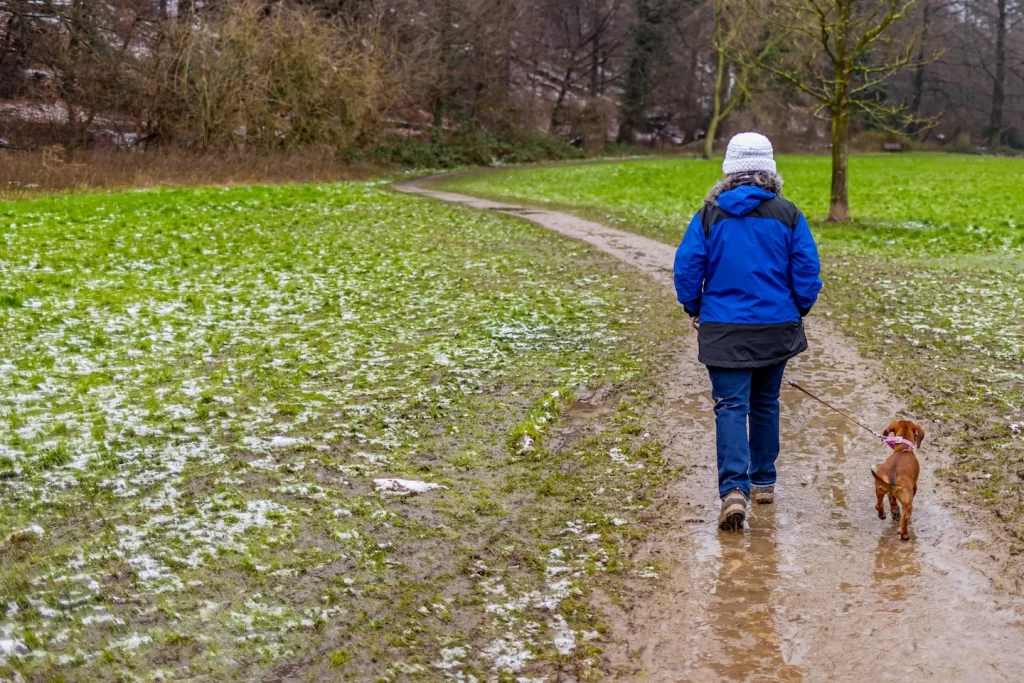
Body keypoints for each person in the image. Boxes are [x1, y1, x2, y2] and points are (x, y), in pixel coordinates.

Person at [673, 132, 822, 531]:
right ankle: (764, 481)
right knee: (765, 402)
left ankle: (733, 492)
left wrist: (694, 308)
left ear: (729, 170)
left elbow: (688, 268)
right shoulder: (788, 214)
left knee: (731, 406)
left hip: (723, 326)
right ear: (770, 170)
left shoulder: (709, 215)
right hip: (776, 326)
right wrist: (798, 308)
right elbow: (807, 270)